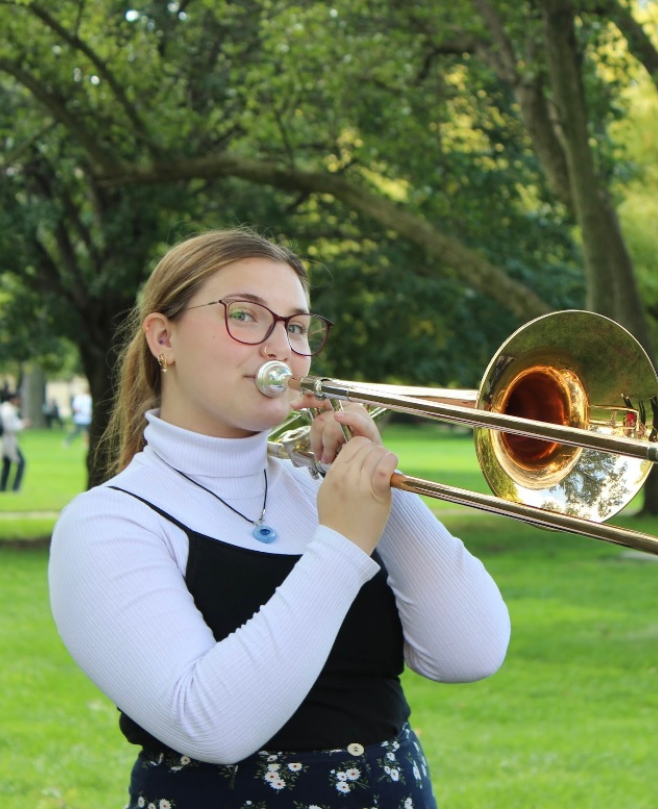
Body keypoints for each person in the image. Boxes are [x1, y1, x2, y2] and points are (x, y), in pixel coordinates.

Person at [48, 229, 511, 809]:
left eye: (296, 327)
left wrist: (384, 491)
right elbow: (211, 726)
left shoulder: (324, 488)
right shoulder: (108, 522)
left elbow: (472, 651)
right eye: (245, 315)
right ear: (163, 337)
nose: (281, 347)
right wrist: (342, 545)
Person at [0, 390, 27, 492]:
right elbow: (9, 426)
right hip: (8, 440)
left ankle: (3, 487)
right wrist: (23, 424)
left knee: (7, 464)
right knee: (21, 462)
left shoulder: (5, 408)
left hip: (6, 440)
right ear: (14, 399)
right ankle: (15, 487)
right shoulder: (7, 410)